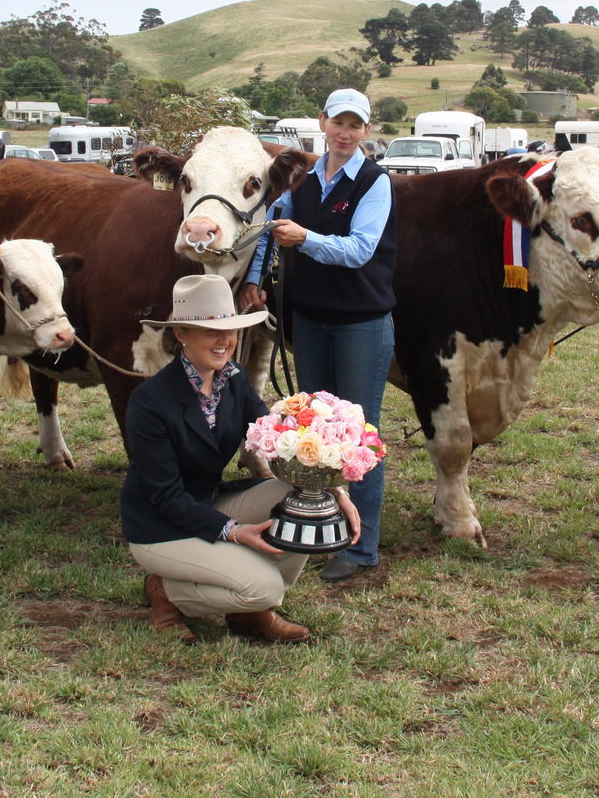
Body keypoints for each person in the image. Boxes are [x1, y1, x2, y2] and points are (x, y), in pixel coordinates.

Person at [122, 274, 360, 643]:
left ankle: (248, 609)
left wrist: (335, 489)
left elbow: (279, 435)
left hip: (210, 499)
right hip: (160, 526)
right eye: (211, 331)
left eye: (230, 329)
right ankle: (167, 591)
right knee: (263, 587)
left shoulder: (234, 380)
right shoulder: (150, 402)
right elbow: (165, 496)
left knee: (303, 494)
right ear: (182, 334)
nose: (225, 341)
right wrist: (234, 532)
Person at [239, 87, 396, 583]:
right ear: (323, 123)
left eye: (356, 125)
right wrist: (252, 279)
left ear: (366, 131)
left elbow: (360, 250)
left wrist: (305, 238)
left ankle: (362, 545)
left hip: (361, 323)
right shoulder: (302, 183)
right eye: (338, 123)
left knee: (359, 433)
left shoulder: (375, 182)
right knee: (313, 427)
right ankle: (319, 526)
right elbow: (269, 228)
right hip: (309, 321)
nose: (346, 133)